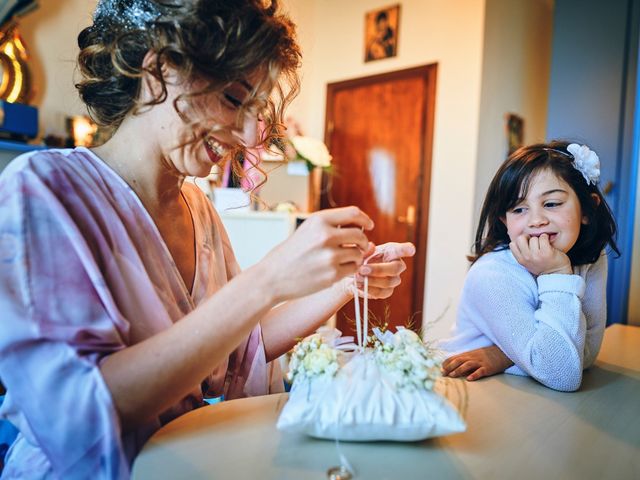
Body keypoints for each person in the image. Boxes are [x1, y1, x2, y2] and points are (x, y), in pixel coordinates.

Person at [0, 1, 415, 478]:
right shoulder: (46, 190)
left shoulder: (200, 209)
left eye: (257, 111)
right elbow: (75, 413)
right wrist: (266, 280)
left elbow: (243, 343)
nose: (247, 133)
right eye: (235, 100)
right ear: (159, 72)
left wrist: (346, 285)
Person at [439, 141, 618, 392]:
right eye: (519, 209)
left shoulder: (591, 258)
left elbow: (585, 353)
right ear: (506, 221)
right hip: (468, 390)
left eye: (552, 203)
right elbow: (562, 374)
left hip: (527, 394)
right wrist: (555, 274)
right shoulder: (492, 274)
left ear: (588, 209)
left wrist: (504, 356)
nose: (536, 220)